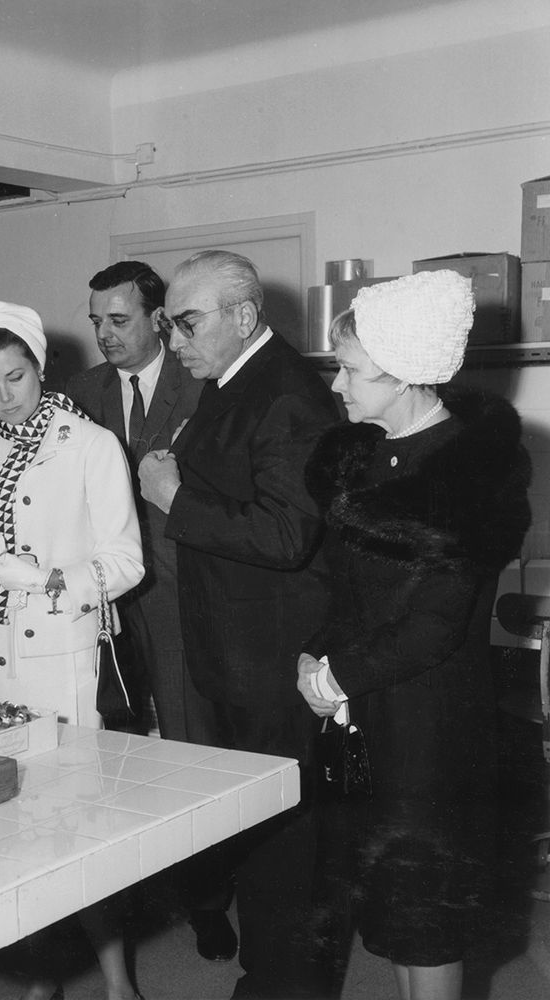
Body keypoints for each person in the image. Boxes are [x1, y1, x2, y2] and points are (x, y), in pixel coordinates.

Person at [297, 271, 531, 1000]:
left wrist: (334, 676)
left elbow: (432, 627)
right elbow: (344, 587)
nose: (338, 386)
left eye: (352, 371)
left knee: (425, 907)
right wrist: (317, 658)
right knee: (380, 897)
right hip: (358, 714)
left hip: (429, 727)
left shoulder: (466, 475)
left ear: (405, 377)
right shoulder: (365, 455)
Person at [0, 300, 144, 1000]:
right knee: (9, 830)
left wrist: (48, 580)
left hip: (59, 658)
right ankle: (44, 977)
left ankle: (116, 980)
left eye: (16, 378)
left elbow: (127, 563)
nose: (4, 397)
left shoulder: (91, 444)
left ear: (41, 367)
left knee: (75, 828)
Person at [138, 250, 337, 998]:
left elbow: (287, 535)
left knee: (284, 840)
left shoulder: (286, 395)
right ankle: (269, 978)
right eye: (169, 323)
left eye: (186, 323)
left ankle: (284, 985)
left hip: (271, 663)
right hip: (235, 655)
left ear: (243, 316)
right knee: (257, 832)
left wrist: (173, 497)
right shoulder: (230, 381)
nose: (174, 340)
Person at [66, 261, 204, 740]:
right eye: (96, 322)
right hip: (107, 594)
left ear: (159, 318)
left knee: (184, 725)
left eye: (118, 321)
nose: (104, 334)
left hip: (177, 582)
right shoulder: (81, 392)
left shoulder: (199, 383)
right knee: (113, 729)